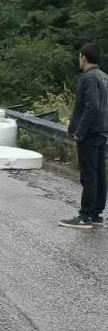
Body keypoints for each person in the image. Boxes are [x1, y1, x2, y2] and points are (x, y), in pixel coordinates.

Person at [60, 43, 108, 229]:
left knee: (88, 175)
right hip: (102, 131)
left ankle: (85, 215)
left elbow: (91, 106)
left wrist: (79, 132)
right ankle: (96, 213)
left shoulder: (89, 77)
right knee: (99, 174)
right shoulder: (104, 77)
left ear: (84, 58)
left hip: (89, 133)